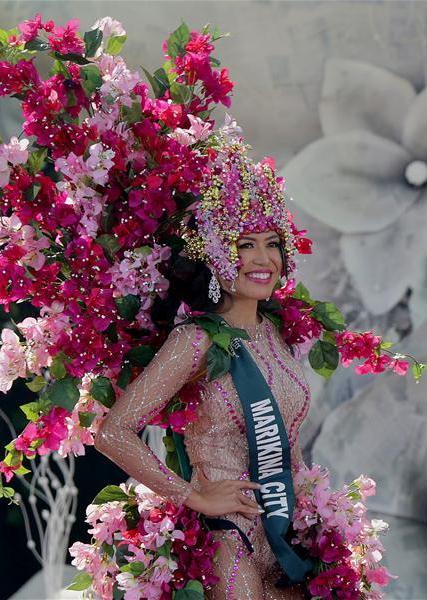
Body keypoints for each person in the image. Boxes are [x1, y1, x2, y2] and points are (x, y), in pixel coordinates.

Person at [94, 140, 311, 599]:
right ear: (215, 254)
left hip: (290, 536)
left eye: (272, 245)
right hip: (231, 539)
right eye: (245, 245)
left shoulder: (276, 333)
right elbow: (113, 431)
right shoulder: (196, 339)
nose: (263, 259)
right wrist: (192, 496)